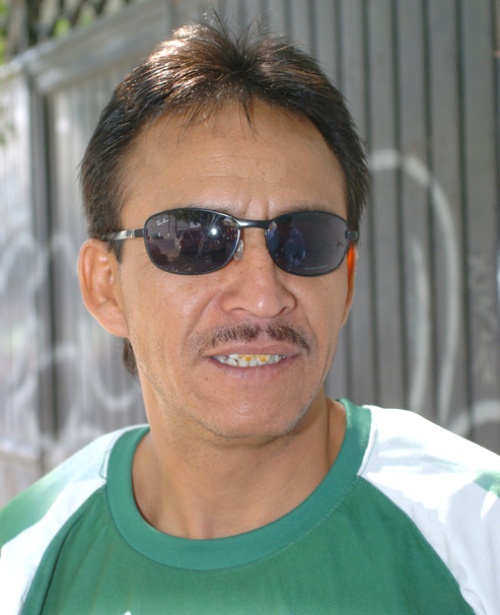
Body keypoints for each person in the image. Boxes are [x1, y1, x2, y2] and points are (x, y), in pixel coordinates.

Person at [1, 17, 499, 615]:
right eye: (194, 239)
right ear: (106, 287)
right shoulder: (23, 563)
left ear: (345, 279)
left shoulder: (478, 536)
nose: (264, 296)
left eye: (305, 240)